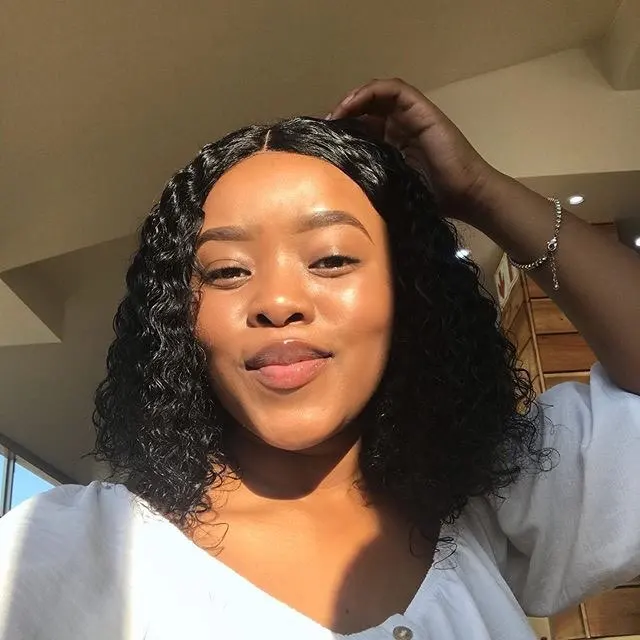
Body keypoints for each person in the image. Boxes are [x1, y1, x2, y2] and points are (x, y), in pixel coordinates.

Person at [1, 78, 639, 640]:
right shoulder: (69, 554)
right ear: (178, 319)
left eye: (331, 259)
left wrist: (480, 192)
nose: (277, 302)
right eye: (227, 271)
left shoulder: (488, 500)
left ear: (408, 294)